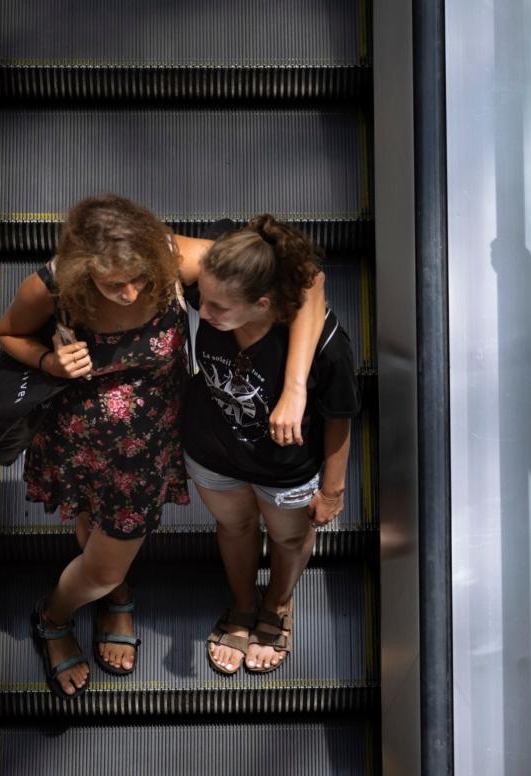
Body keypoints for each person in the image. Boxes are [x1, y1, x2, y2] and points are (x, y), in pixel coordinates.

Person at [0, 195, 327, 697]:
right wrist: (48, 362)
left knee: (104, 558)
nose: (131, 292)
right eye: (114, 283)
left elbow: (304, 278)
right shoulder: (54, 283)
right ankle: (79, 605)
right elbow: (9, 333)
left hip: (146, 446)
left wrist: (296, 388)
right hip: (79, 438)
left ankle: (68, 606)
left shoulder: (172, 256)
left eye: (141, 279)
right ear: (86, 269)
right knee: (96, 537)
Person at [183, 215, 360, 675]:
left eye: (219, 308)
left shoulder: (326, 347)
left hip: (287, 469)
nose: (203, 313)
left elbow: (339, 420)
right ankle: (243, 606)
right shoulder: (215, 293)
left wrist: (333, 491)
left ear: (262, 304)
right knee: (235, 529)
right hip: (213, 452)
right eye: (202, 298)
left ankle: (277, 606)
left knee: (288, 536)